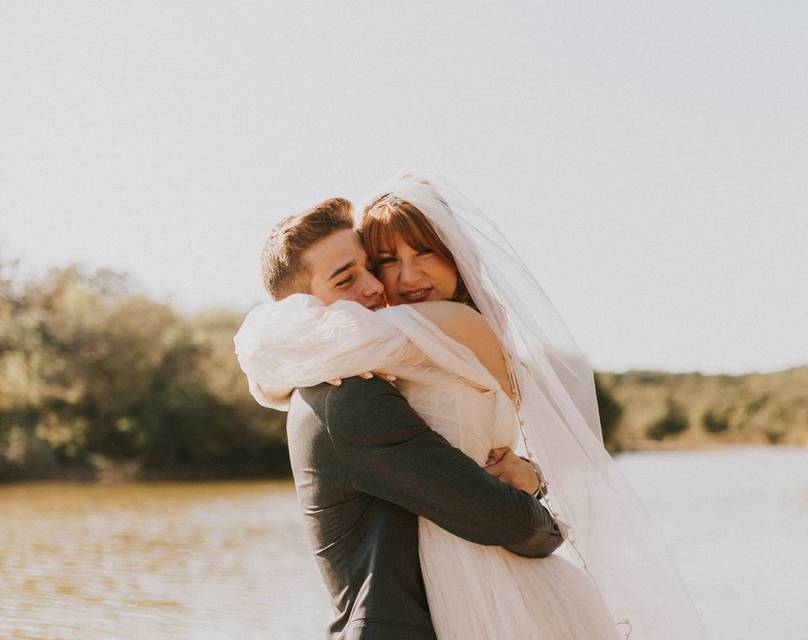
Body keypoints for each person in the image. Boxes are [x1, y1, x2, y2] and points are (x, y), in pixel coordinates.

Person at [237, 175, 709, 639]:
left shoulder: (440, 327)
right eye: (382, 262)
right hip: (470, 582)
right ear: (300, 307)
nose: (392, 281)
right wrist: (534, 482)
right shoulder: (349, 388)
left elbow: (265, 352)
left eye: (424, 252)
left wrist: (536, 493)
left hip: (487, 578)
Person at [239, 197, 565, 640]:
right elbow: (507, 519)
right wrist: (546, 524)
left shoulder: (385, 363)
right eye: (347, 278)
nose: (376, 285)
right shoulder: (348, 396)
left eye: (370, 266)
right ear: (300, 311)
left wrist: (532, 476)